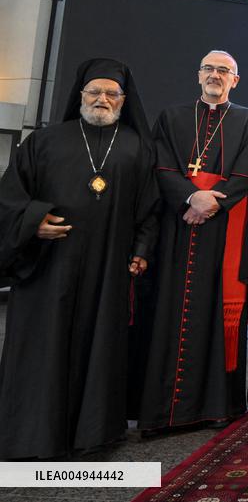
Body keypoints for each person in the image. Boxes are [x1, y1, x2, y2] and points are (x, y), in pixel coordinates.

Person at [0, 58, 158, 459]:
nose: (102, 99)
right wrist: (33, 223)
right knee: (44, 346)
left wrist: (141, 252)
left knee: (99, 343)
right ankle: (33, 434)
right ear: (80, 95)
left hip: (108, 267)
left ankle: (93, 433)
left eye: (111, 94)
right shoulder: (45, 141)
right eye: (94, 92)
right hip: (48, 266)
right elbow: (9, 197)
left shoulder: (137, 146)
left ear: (123, 100)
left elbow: (149, 209)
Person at [140, 50, 248, 432]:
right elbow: (161, 164)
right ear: (198, 76)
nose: (215, 75)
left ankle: (218, 407)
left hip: (223, 229)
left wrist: (213, 202)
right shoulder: (172, 117)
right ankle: (165, 411)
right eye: (209, 69)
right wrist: (190, 196)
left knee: (218, 313)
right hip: (178, 228)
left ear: (235, 80)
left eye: (223, 71)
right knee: (170, 311)